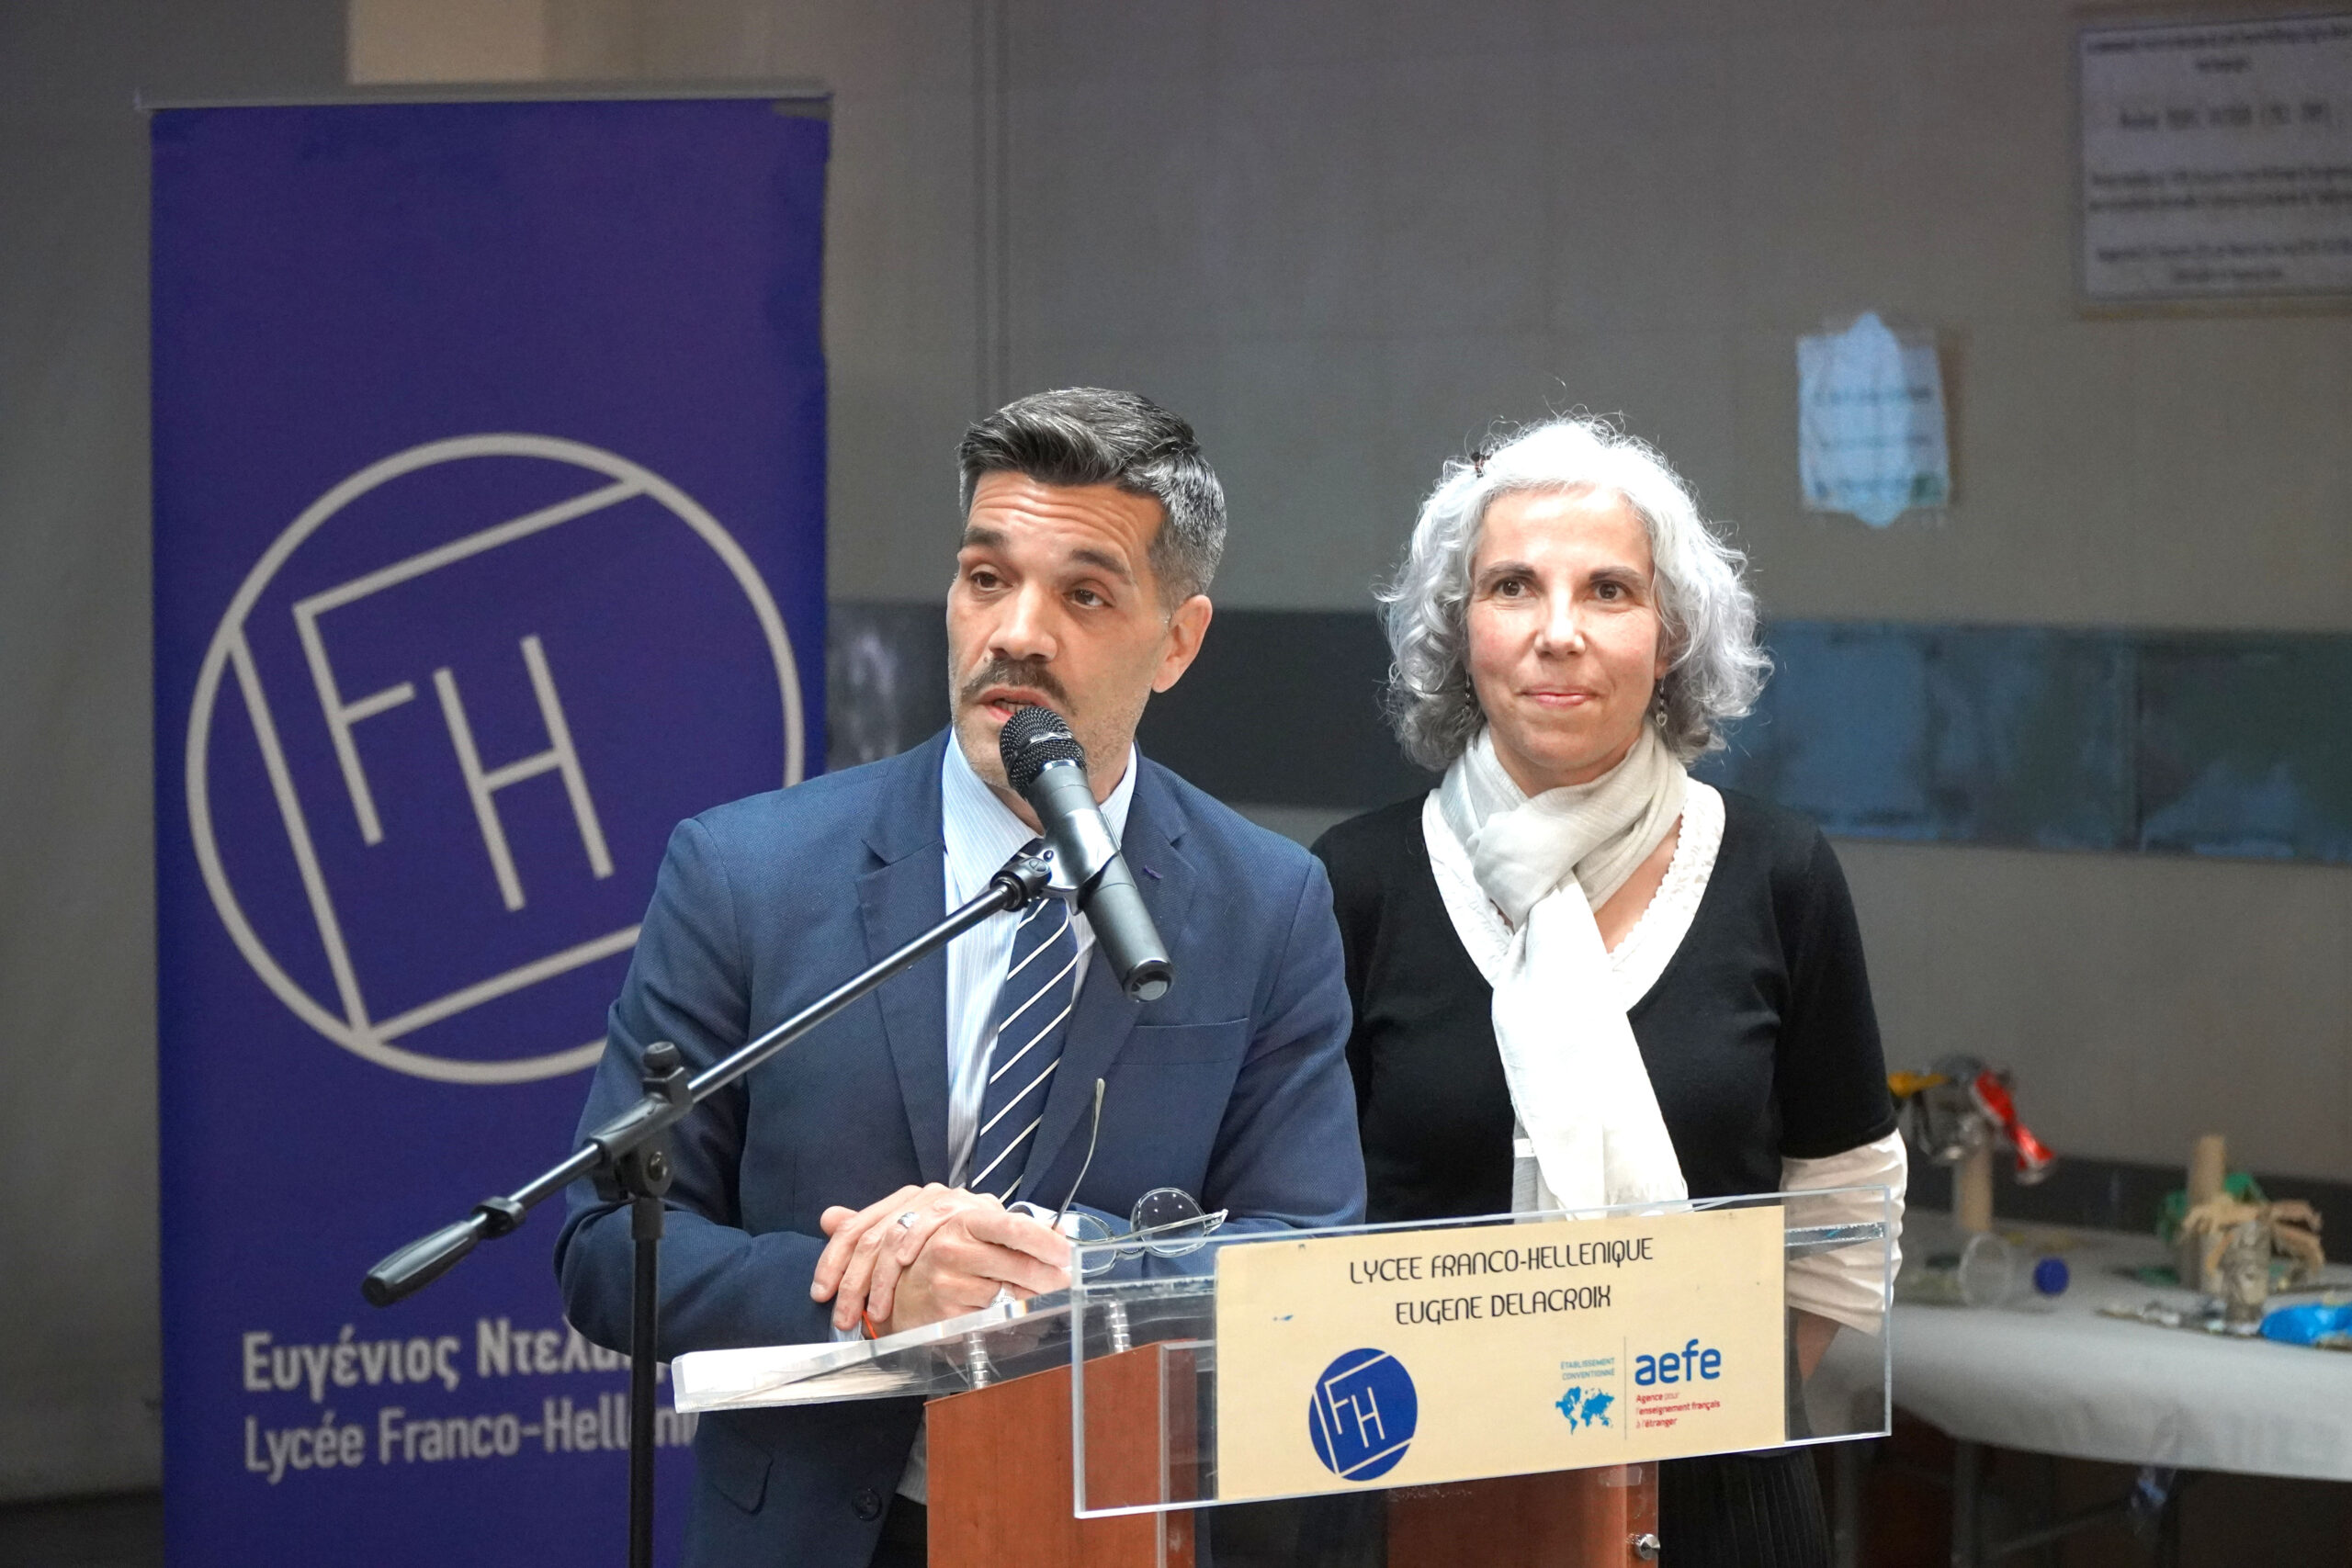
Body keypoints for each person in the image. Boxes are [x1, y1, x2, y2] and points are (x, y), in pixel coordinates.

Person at [557, 388, 1365, 1568]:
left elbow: (1304, 1257)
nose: (1016, 633)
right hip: (812, 1536)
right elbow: (604, 1250)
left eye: (1084, 595)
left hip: (1109, 1526)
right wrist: (879, 1288)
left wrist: (1055, 1259)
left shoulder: (1267, 900)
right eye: (986, 578)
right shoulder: (746, 874)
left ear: (1178, 641)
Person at [1311, 415, 1905, 1568]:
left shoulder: (1776, 873)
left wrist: (1691, 1412)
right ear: (1458, 627)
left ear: (1670, 635)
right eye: (1513, 587)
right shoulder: (1354, 883)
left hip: (1720, 1497)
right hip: (1417, 1495)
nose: (1558, 632)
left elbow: (1846, 1196)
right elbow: (1298, 1232)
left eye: (1609, 591)